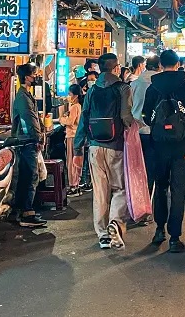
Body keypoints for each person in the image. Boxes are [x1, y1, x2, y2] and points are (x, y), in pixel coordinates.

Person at [142, 50, 185, 253]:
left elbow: (146, 117)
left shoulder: (153, 88)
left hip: (158, 145)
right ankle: (175, 238)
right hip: (182, 147)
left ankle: (159, 230)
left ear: (160, 65)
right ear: (178, 64)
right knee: (178, 192)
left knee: (160, 188)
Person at [76, 53, 136, 249]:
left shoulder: (92, 90)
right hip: (115, 146)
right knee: (120, 188)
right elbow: (126, 116)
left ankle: (102, 235)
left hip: (94, 145)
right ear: (116, 68)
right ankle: (115, 222)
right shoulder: (123, 88)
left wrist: (78, 148)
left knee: (100, 192)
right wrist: (136, 127)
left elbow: (84, 118)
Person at [11, 63, 47, 228]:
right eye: (34, 74)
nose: (36, 76)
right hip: (27, 142)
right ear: (26, 77)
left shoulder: (25, 95)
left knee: (26, 176)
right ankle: (27, 212)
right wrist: (37, 138)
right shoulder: (23, 97)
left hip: (26, 140)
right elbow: (29, 120)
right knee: (31, 176)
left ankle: (19, 211)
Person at [131, 55, 161, 193]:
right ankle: (148, 196)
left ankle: (138, 196)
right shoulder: (159, 84)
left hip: (137, 131)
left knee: (137, 166)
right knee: (152, 168)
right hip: (156, 131)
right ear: (159, 66)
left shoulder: (135, 84)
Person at [61, 84, 84, 197]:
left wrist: (62, 118)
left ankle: (73, 186)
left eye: (70, 94)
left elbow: (70, 121)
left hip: (72, 136)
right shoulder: (78, 106)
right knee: (77, 161)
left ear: (75, 95)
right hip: (77, 136)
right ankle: (76, 185)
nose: (69, 96)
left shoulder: (75, 107)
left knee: (71, 162)